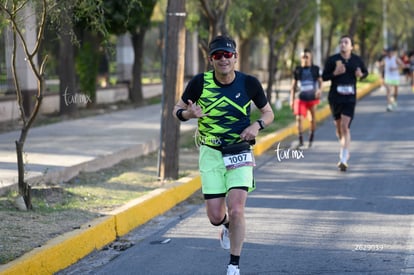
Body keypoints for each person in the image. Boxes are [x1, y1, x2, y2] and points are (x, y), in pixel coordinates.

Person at [173, 35, 274, 275]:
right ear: (211, 60)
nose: (223, 59)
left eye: (228, 55)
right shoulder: (199, 83)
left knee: (237, 208)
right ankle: (226, 226)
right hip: (210, 152)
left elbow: (268, 113)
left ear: (235, 57)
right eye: (218, 55)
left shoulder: (249, 83)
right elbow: (176, 110)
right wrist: (189, 114)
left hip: (239, 150)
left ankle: (233, 265)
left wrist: (256, 126)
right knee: (216, 215)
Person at [322, 35, 368, 172]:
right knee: (338, 128)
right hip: (335, 97)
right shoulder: (332, 60)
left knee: (345, 126)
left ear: (351, 46)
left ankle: (343, 157)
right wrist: (335, 73)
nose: (343, 44)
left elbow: (365, 73)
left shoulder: (356, 60)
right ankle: (345, 147)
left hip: (350, 98)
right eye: (341, 42)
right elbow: (324, 77)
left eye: (346, 42)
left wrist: (361, 75)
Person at [289, 49, 323, 148]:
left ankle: (311, 137)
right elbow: (293, 86)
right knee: (299, 118)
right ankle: (301, 140)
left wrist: (320, 90)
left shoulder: (315, 69)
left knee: (312, 119)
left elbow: (320, 81)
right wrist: (291, 100)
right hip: (300, 98)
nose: (305, 59)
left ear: (310, 58)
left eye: (306, 57)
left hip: (312, 98)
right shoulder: (297, 69)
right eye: (303, 57)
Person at [382, 47, 404, 111]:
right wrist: (380, 65)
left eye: (390, 53)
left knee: (395, 93)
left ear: (392, 53)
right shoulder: (385, 59)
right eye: (388, 53)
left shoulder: (396, 58)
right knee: (388, 91)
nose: (389, 54)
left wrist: (395, 68)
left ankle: (394, 101)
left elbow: (402, 65)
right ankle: (389, 105)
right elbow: (381, 64)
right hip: (387, 77)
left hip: (395, 77)